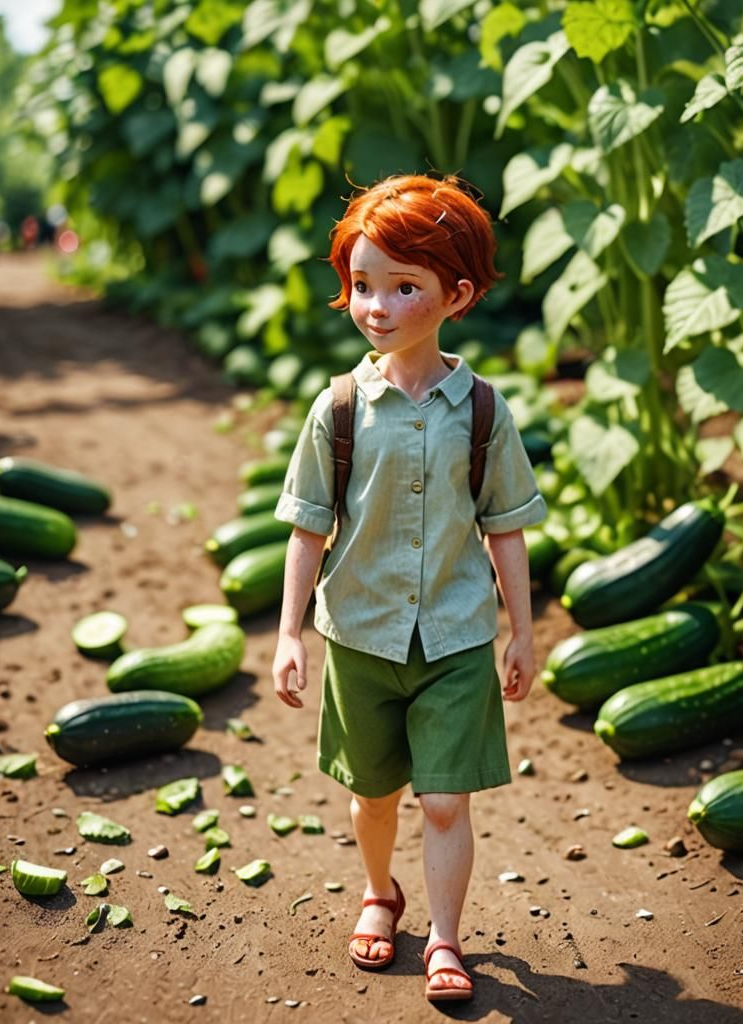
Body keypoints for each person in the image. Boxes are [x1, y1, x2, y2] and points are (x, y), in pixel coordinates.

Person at [271, 173, 546, 1004]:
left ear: (455, 295)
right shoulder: (341, 407)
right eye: (362, 285)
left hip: (456, 640)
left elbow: (506, 527)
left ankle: (448, 940)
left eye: (402, 286)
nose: (376, 306)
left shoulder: (486, 413)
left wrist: (523, 631)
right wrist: (289, 633)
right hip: (358, 633)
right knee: (374, 794)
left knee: (444, 801)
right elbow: (308, 526)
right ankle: (379, 891)